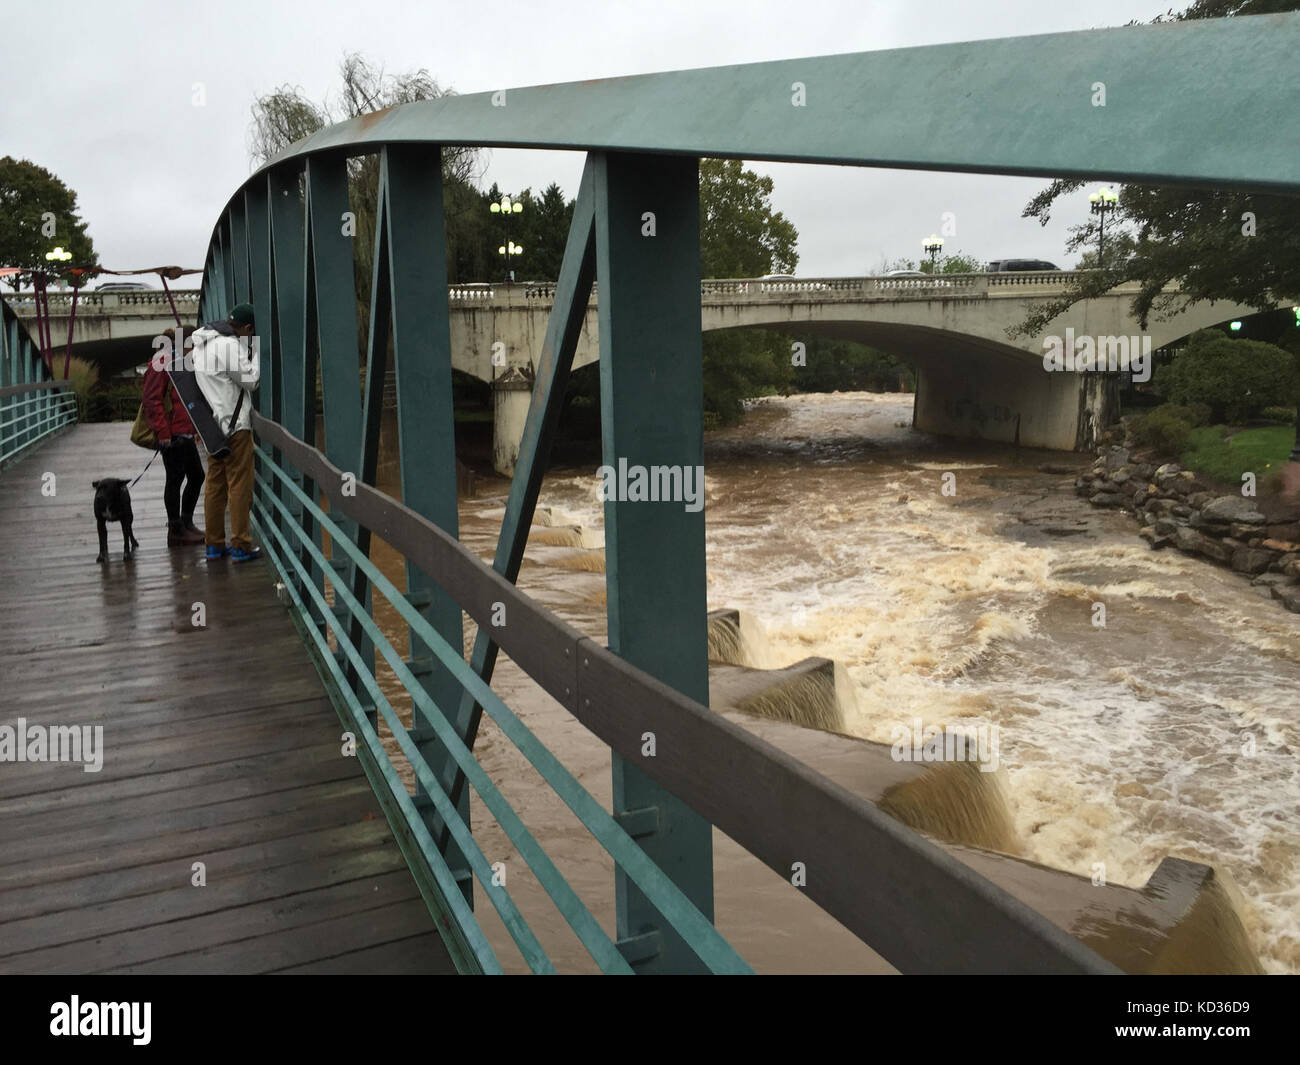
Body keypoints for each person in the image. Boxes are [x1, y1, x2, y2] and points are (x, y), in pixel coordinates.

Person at [191, 302, 262, 563]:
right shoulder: (229, 345)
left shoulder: (201, 346)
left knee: (215, 486)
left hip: (213, 430)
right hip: (236, 427)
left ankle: (214, 544)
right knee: (240, 486)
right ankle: (241, 544)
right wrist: (258, 353)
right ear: (247, 328)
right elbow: (251, 381)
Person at [142, 327, 205, 546]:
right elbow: (151, 399)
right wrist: (163, 433)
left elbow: (186, 397)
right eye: (193, 344)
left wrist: (195, 428)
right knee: (175, 479)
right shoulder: (162, 360)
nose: (195, 349)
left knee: (196, 476)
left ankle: (185, 523)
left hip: (184, 431)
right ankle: (176, 529)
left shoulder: (180, 362)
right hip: (172, 433)